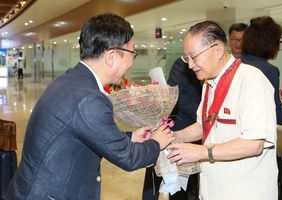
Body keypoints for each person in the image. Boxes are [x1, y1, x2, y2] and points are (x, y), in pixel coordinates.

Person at [6, 13, 175, 200]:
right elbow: (128, 158)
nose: (132, 61)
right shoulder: (89, 99)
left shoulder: (72, 80)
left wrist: (132, 137)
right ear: (111, 56)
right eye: (132, 53)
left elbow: (88, 134)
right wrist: (157, 143)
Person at [166, 20, 278, 200]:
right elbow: (204, 125)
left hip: (245, 192)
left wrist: (200, 152)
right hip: (212, 191)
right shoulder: (208, 84)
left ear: (217, 50)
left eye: (194, 57)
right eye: (187, 58)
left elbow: (254, 143)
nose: (190, 65)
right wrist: (172, 137)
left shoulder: (251, 80)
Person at [142, 57, 202, 200]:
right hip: (179, 125)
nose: (192, 63)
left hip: (193, 132)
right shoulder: (181, 65)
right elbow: (178, 94)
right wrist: (203, 114)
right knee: (165, 174)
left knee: (186, 178)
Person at [240, 16, 282, 127]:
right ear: (270, 43)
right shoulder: (268, 70)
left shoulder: (235, 63)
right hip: (254, 134)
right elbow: (276, 115)